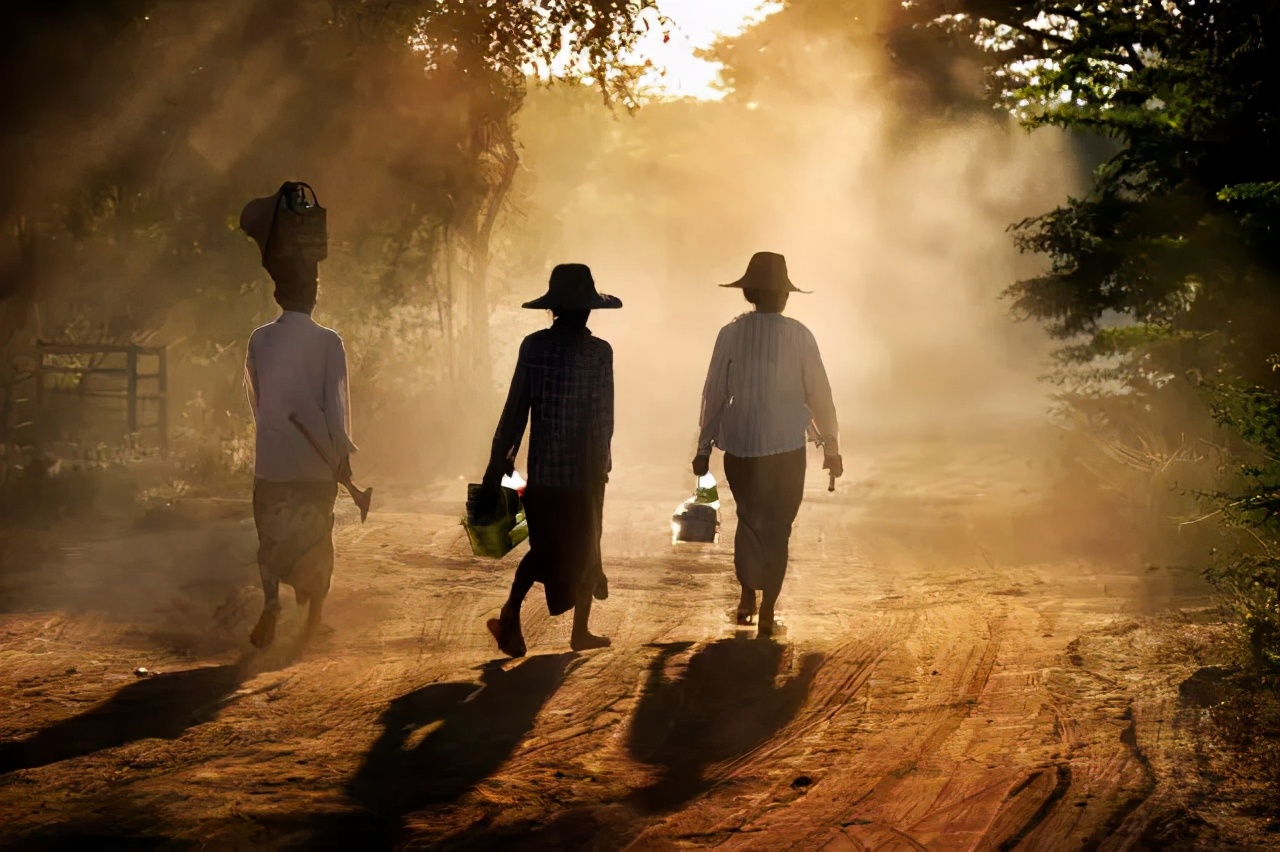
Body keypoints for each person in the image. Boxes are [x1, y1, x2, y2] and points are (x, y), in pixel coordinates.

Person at [693, 251, 841, 638]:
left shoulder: (729, 334)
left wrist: (704, 447)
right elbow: (819, 392)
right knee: (779, 527)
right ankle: (769, 612)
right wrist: (831, 445)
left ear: (749, 294)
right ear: (785, 295)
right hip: (786, 451)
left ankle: (747, 598)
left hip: (739, 446)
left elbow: (714, 393)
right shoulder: (800, 334)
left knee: (749, 520)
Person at [484, 263, 619, 657]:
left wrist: (500, 462)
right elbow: (602, 419)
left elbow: (516, 409)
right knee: (585, 545)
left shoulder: (535, 346)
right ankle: (580, 631)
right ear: (589, 310)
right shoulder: (599, 353)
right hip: (584, 474)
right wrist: (601, 469)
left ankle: (511, 613)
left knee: (543, 550)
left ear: (553, 309)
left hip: (543, 473)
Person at [241, 189, 356, 650]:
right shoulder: (330, 342)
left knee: (271, 538)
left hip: (272, 462)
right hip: (315, 465)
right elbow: (337, 407)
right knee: (316, 541)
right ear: (315, 296)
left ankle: (271, 604)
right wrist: (343, 460)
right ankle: (312, 622)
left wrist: (272, 431)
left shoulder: (259, 339)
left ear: (278, 294)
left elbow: (256, 399)